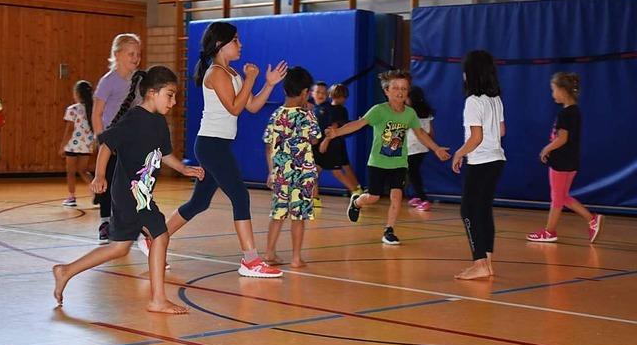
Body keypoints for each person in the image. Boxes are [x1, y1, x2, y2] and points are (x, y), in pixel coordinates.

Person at [138, 22, 286, 278]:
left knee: (199, 202)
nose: (240, 45)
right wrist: (252, 78)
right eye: (236, 41)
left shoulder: (232, 74)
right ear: (221, 44)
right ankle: (250, 260)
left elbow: (250, 106)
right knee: (240, 196)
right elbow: (234, 108)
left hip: (217, 144)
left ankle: (153, 238)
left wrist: (269, 84)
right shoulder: (216, 73)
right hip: (211, 145)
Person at [52, 66, 205, 314]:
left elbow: (164, 154)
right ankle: (157, 299)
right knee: (160, 236)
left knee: (119, 247)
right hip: (129, 194)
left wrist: (183, 169)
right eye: (170, 94)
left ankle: (65, 271)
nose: (174, 101)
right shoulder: (135, 119)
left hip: (141, 194)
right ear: (152, 93)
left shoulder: (159, 123)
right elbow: (106, 145)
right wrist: (100, 175)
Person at [325, 70, 450, 245]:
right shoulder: (379, 111)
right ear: (387, 91)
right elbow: (358, 124)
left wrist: (436, 149)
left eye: (404, 88)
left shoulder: (409, 114)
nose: (400, 92)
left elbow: (421, 133)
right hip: (377, 163)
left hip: (398, 163)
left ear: (408, 92)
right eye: (396, 88)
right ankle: (357, 202)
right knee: (374, 197)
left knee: (397, 196)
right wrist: (337, 132)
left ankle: (389, 230)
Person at [527, 72, 602, 243]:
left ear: (562, 91)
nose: (552, 94)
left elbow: (562, 138)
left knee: (557, 198)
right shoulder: (575, 112)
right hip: (571, 161)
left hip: (561, 162)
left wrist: (546, 149)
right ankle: (592, 219)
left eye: (553, 90)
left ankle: (549, 231)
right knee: (562, 196)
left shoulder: (566, 114)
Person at [451, 50, 506, 280]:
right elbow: (502, 131)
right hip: (496, 160)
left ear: (471, 74)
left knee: (468, 210)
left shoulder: (473, 102)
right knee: (483, 210)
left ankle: (479, 262)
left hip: (481, 162)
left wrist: (459, 153)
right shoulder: (496, 100)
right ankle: (487, 262)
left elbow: (476, 137)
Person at [263, 67, 321, 267]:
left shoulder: (276, 115)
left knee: (277, 214)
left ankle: (269, 253)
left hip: (280, 173)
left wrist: (271, 171)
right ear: (305, 92)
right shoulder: (308, 116)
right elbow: (314, 140)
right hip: (303, 174)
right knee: (299, 216)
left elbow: (269, 146)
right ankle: (296, 258)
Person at [92, 33, 142, 243]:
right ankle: (106, 222)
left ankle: (129, 222)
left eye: (138, 54)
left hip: (131, 142)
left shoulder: (138, 80)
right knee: (108, 182)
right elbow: (97, 112)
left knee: (131, 182)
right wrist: (102, 139)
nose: (136, 57)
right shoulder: (108, 81)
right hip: (111, 142)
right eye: (131, 53)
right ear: (117, 54)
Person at [59, 81, 95, 207]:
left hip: (73, 145)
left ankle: (71, 197)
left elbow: (69, 130)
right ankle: (97, 193)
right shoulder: (92, 108)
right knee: (83, 170)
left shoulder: (73, 109)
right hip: (87, 144)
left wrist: (63, 145)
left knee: (71, 171)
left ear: (77, 94)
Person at [405, 86, 435, 212]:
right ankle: (419, 196)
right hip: (423, 147)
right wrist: (430, 143)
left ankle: (424, 199)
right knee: (413, 173)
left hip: (411, 148)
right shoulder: (426, 112)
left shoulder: (409, 113)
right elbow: (431, 131)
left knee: (413, 174)